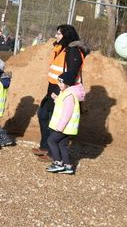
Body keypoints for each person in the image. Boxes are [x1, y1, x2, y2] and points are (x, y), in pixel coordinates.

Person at [33, 25, 89, 159]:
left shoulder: (73, 51)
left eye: (59, 34)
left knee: (54, 119)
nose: (56, 36)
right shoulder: (61, 48)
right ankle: (46, 146)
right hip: (52, 88)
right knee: (43, 115)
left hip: (62, 89)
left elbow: (71, 73)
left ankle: (53, 154)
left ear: (66, 35)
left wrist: (62, 90)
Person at [45, 71, 84, 175]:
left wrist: (59, 127)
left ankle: (58, 163)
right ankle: (68, 166)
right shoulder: (66, 93)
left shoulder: (69, 96)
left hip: (64, 127)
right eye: (59, 82)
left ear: (68, 84)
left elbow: (67, 114)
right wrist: (56, 98)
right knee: (62, 145)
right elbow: (62, 105)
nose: (59, 84)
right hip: (67, 128)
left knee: (51, 140)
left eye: (61, 82)